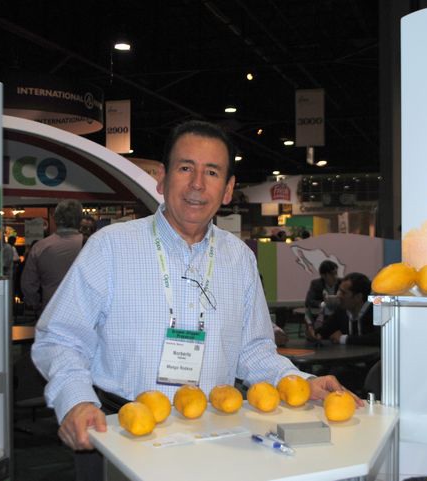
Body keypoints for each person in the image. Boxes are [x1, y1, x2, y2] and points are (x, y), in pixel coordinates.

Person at [31, 120, 357, 481]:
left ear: (228, 189)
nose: (197, 184)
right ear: (162, 178)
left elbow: (253, 350)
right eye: (186, 168)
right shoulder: (110, 247)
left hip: (212, 434)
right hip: (119, 430)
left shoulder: (239, 258)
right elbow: (61, 337)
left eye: (212, 172)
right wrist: (76, 400)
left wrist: (300, 380)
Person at [21, 200, 84, 315]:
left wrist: (35, 304)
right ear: (80, 219)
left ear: (55, 219)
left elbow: (28, 284)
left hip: (50, 310)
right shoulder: (91, 244)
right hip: (83, 311)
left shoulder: (40, 247)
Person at [308, 272, 380, 346]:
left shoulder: (377, 311)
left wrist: (344, 339)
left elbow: (380, 338)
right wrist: (313, 333)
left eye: (343, 293)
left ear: (358, 297)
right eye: (339, 291)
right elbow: (324, 331)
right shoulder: (342, 311)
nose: (338, 295)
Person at [304, 260, 340, 327]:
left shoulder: (342, 283)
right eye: (332, 274)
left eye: (336, 273)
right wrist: (323, 304)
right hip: (323, 317)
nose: (335, 277)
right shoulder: (316, 284)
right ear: (323, 275)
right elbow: (309, 301)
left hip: (339, 316)